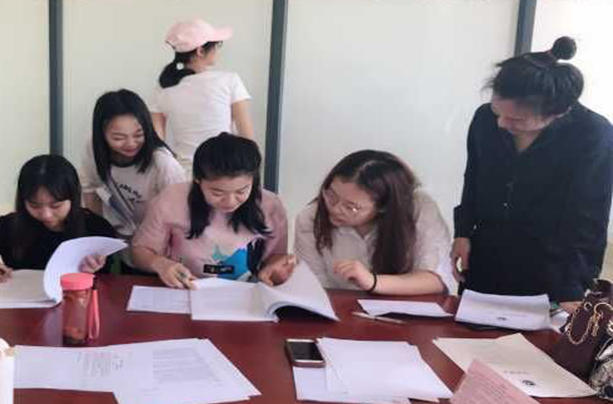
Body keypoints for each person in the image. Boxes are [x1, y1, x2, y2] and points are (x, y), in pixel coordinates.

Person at [452, 37, 613, 311]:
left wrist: (572, 285)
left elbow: (589, 217)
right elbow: (474, 178)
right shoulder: (484, 118)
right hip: (485, 256)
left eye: (517, 119)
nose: (501, 123)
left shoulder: (592, 134)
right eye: (497, 111)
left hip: (550, 267)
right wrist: (463, 232)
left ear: (558, 112)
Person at [131, 133, 293, 289]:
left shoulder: (269, 205)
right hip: (184, 289)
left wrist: (273, 268)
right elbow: (139, 252)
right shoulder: (172, 199)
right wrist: (160, 264)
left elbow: (276, 256)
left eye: (241, 191)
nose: (230, 201)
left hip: (246, 293)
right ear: (197, 179)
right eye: (217, 193)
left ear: (253, 179)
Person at [293, 150, 455, 295]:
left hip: (404, 311)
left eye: (351, 207)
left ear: (383, 207)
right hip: (339, 311)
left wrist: (372, 282)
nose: (335, 209)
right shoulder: (311, 218)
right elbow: (315, 287)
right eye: (331, 196)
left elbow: (435, 280)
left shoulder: (419, 208)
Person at [0, 154, 118, 282]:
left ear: (73, 197)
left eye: (55, 206)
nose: (46, 214)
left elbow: (111, 286)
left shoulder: (96, 229)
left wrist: (91, 272)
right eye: (34, 205)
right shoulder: (10, 226)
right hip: (21, 311)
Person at [80, 89, 185, 242]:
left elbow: (179, 213)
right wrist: (97, 236)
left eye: (138, 135)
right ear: (101, 134)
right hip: (121, 235)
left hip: (157, 239)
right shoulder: (94, 148)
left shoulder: (164, 164)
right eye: (118, 138)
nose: (130, 144)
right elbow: (90, 189)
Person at [150, 19, 253, 171]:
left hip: (182, 173)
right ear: (200, 51)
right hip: (224, 171)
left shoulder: (163, 88)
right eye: (217, 45)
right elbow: (247, 138)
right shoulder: (229, 81)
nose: (217, 50)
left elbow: (157, 145)